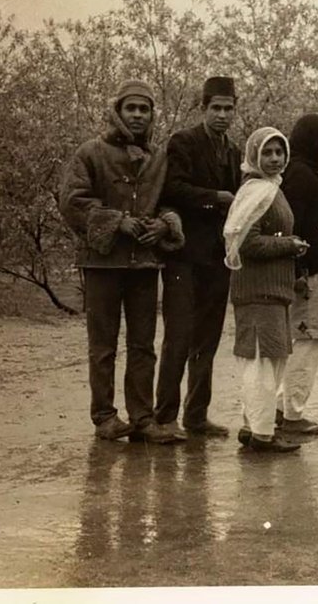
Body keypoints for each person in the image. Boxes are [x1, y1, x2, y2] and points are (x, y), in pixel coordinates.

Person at [59, 79, 186, 444]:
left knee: (143, 343)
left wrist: (164, 224)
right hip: (103, 264)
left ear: (151, 115)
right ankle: (104, 417)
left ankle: (143, 419)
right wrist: (117, 221)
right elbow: (73, 200)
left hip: (144, 265)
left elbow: (170, 200)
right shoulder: (90, 153)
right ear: (118, 111)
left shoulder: (157, 158)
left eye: (144, 109)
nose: (137, 115)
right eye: (131, 108)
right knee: (103, 345)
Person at [155, 76, 241, 438]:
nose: (222, 114)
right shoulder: (183, 142)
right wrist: (216, 197)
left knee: (209, 337)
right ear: (203, 108)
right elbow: (172, 188)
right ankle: (164, 418)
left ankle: (196, 416)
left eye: (228, 108)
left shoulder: (234, 151)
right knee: (179, 335)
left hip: (218, 258)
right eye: (215, 108)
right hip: (184, 255)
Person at [224, 127, 309, 453]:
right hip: (257, 291)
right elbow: (244, 243)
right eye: (268, 153)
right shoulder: (255, 191)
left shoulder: (272, 189)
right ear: (254, 157)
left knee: (268, 360)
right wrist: (289, 244)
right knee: (260, 362)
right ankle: (262, 434)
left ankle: (253, 426)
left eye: (279, 153)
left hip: (273, 291)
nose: (275, 159)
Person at [277, 114, 318, 436]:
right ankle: (292, 413)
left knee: (303, 343)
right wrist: (299, 270)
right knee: (307, 344)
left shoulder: (301, 171)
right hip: (308, 276)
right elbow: (293, 224)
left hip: (310, 272)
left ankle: (280, 408)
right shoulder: (301, 175)